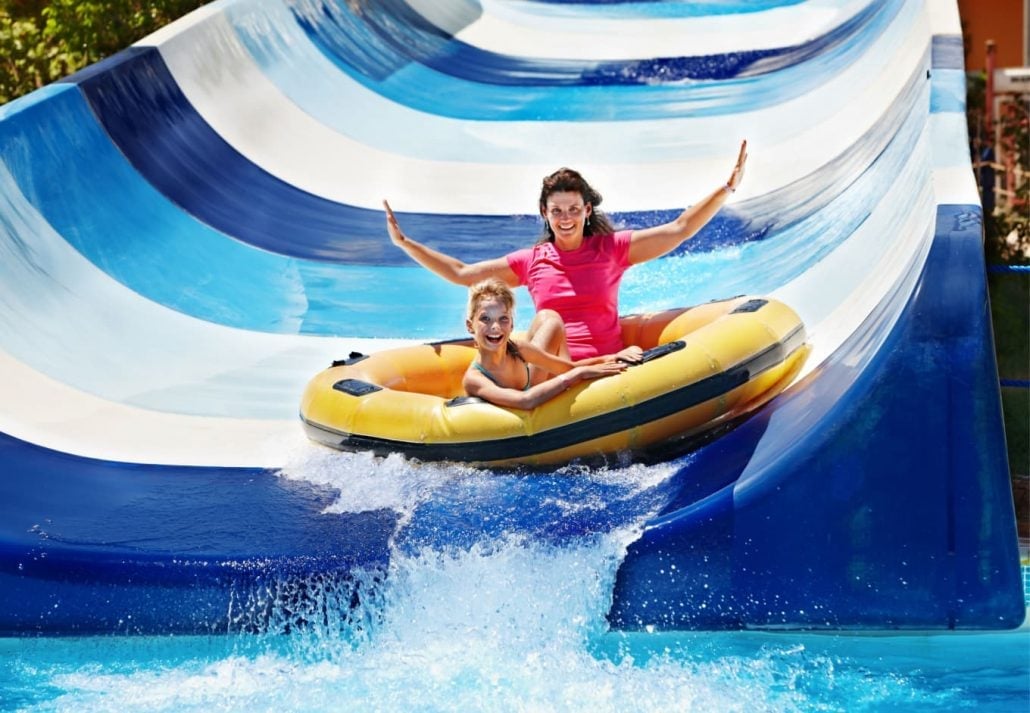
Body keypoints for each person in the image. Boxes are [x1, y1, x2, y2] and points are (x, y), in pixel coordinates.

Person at [384, 140, 747, 367]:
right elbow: (464, 274)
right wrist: (405, 243)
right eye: (557, 211)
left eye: (573, 209)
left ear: (588, 210)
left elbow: (679, 229)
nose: (566, 218)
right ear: (545, 213)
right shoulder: (533, 261)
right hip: (554, 372)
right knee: (548, 323)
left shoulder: (613, 248)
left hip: (612, 367)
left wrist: (727, 187)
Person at [462, 279, 627, 410]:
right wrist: (578, 374)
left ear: (511, 324)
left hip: (536, 385)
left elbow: (569, 368)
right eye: (485, 319)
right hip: (521, 419)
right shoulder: (474, 379)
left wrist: (611, 358)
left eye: (503, 318)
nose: (495, 327)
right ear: (470, 326)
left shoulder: (518, 349)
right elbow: (525, 401)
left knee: (551, 320)